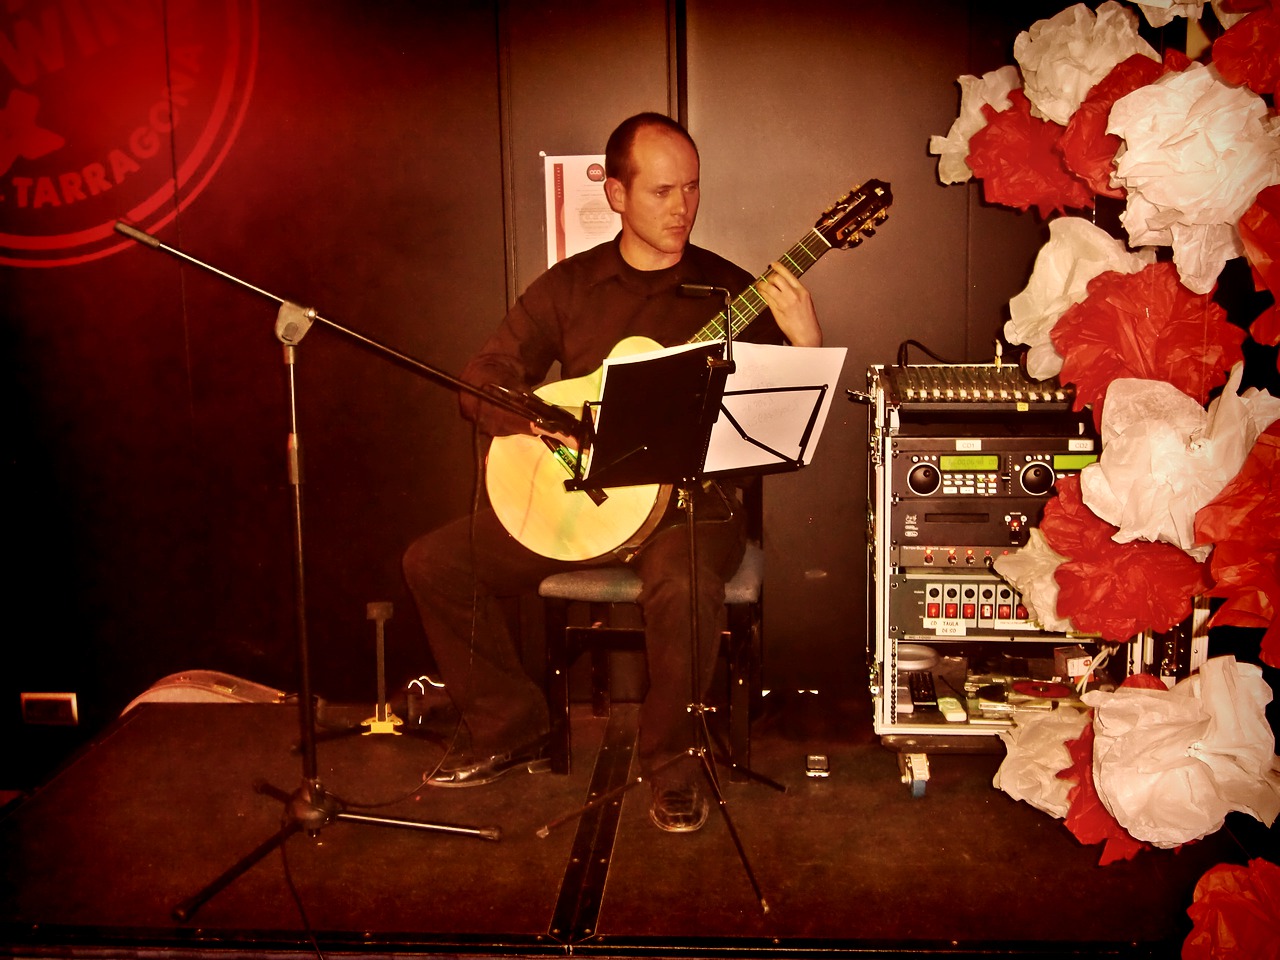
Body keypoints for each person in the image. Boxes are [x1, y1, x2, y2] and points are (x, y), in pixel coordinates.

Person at [402, 112, 821, 833]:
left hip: (692, 506)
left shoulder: (729, 292)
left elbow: (786, 420)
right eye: (661, 191)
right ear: (617, 194)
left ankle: (672, 764)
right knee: (435, 562)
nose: (682, 208)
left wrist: (806, 342)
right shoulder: (572, 286)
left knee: (683, 583)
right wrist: (533, 416)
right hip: (586, 502)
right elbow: (482, 378)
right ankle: (510, 723)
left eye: (691, 188)